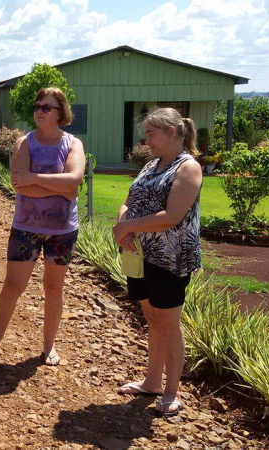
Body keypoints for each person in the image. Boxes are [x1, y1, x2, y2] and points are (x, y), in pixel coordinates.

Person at [0, 87, 84, 366]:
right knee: (13, 286)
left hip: (62, 230)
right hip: (26, 228)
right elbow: (20, 186)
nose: (39, 111)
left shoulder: (73, 144)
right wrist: (62, 188)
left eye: (46, 107)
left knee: (54, 287)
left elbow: (74, 179)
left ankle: (48, 347)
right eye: (37, 106)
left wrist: (35, 178)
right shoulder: (24, 142)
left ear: (60, 112)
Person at [111, 108, 202, 417]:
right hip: (140, 255)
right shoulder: (151, 165)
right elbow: (129, 201)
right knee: (152, 318)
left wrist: (126, 227)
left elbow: (172, 217)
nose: (146, 140)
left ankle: (172, 391)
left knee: (168, 323)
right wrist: (123, 225)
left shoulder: (188, 168)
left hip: (169, 259)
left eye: (151, 134)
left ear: (171, 133)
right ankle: (152, 382)